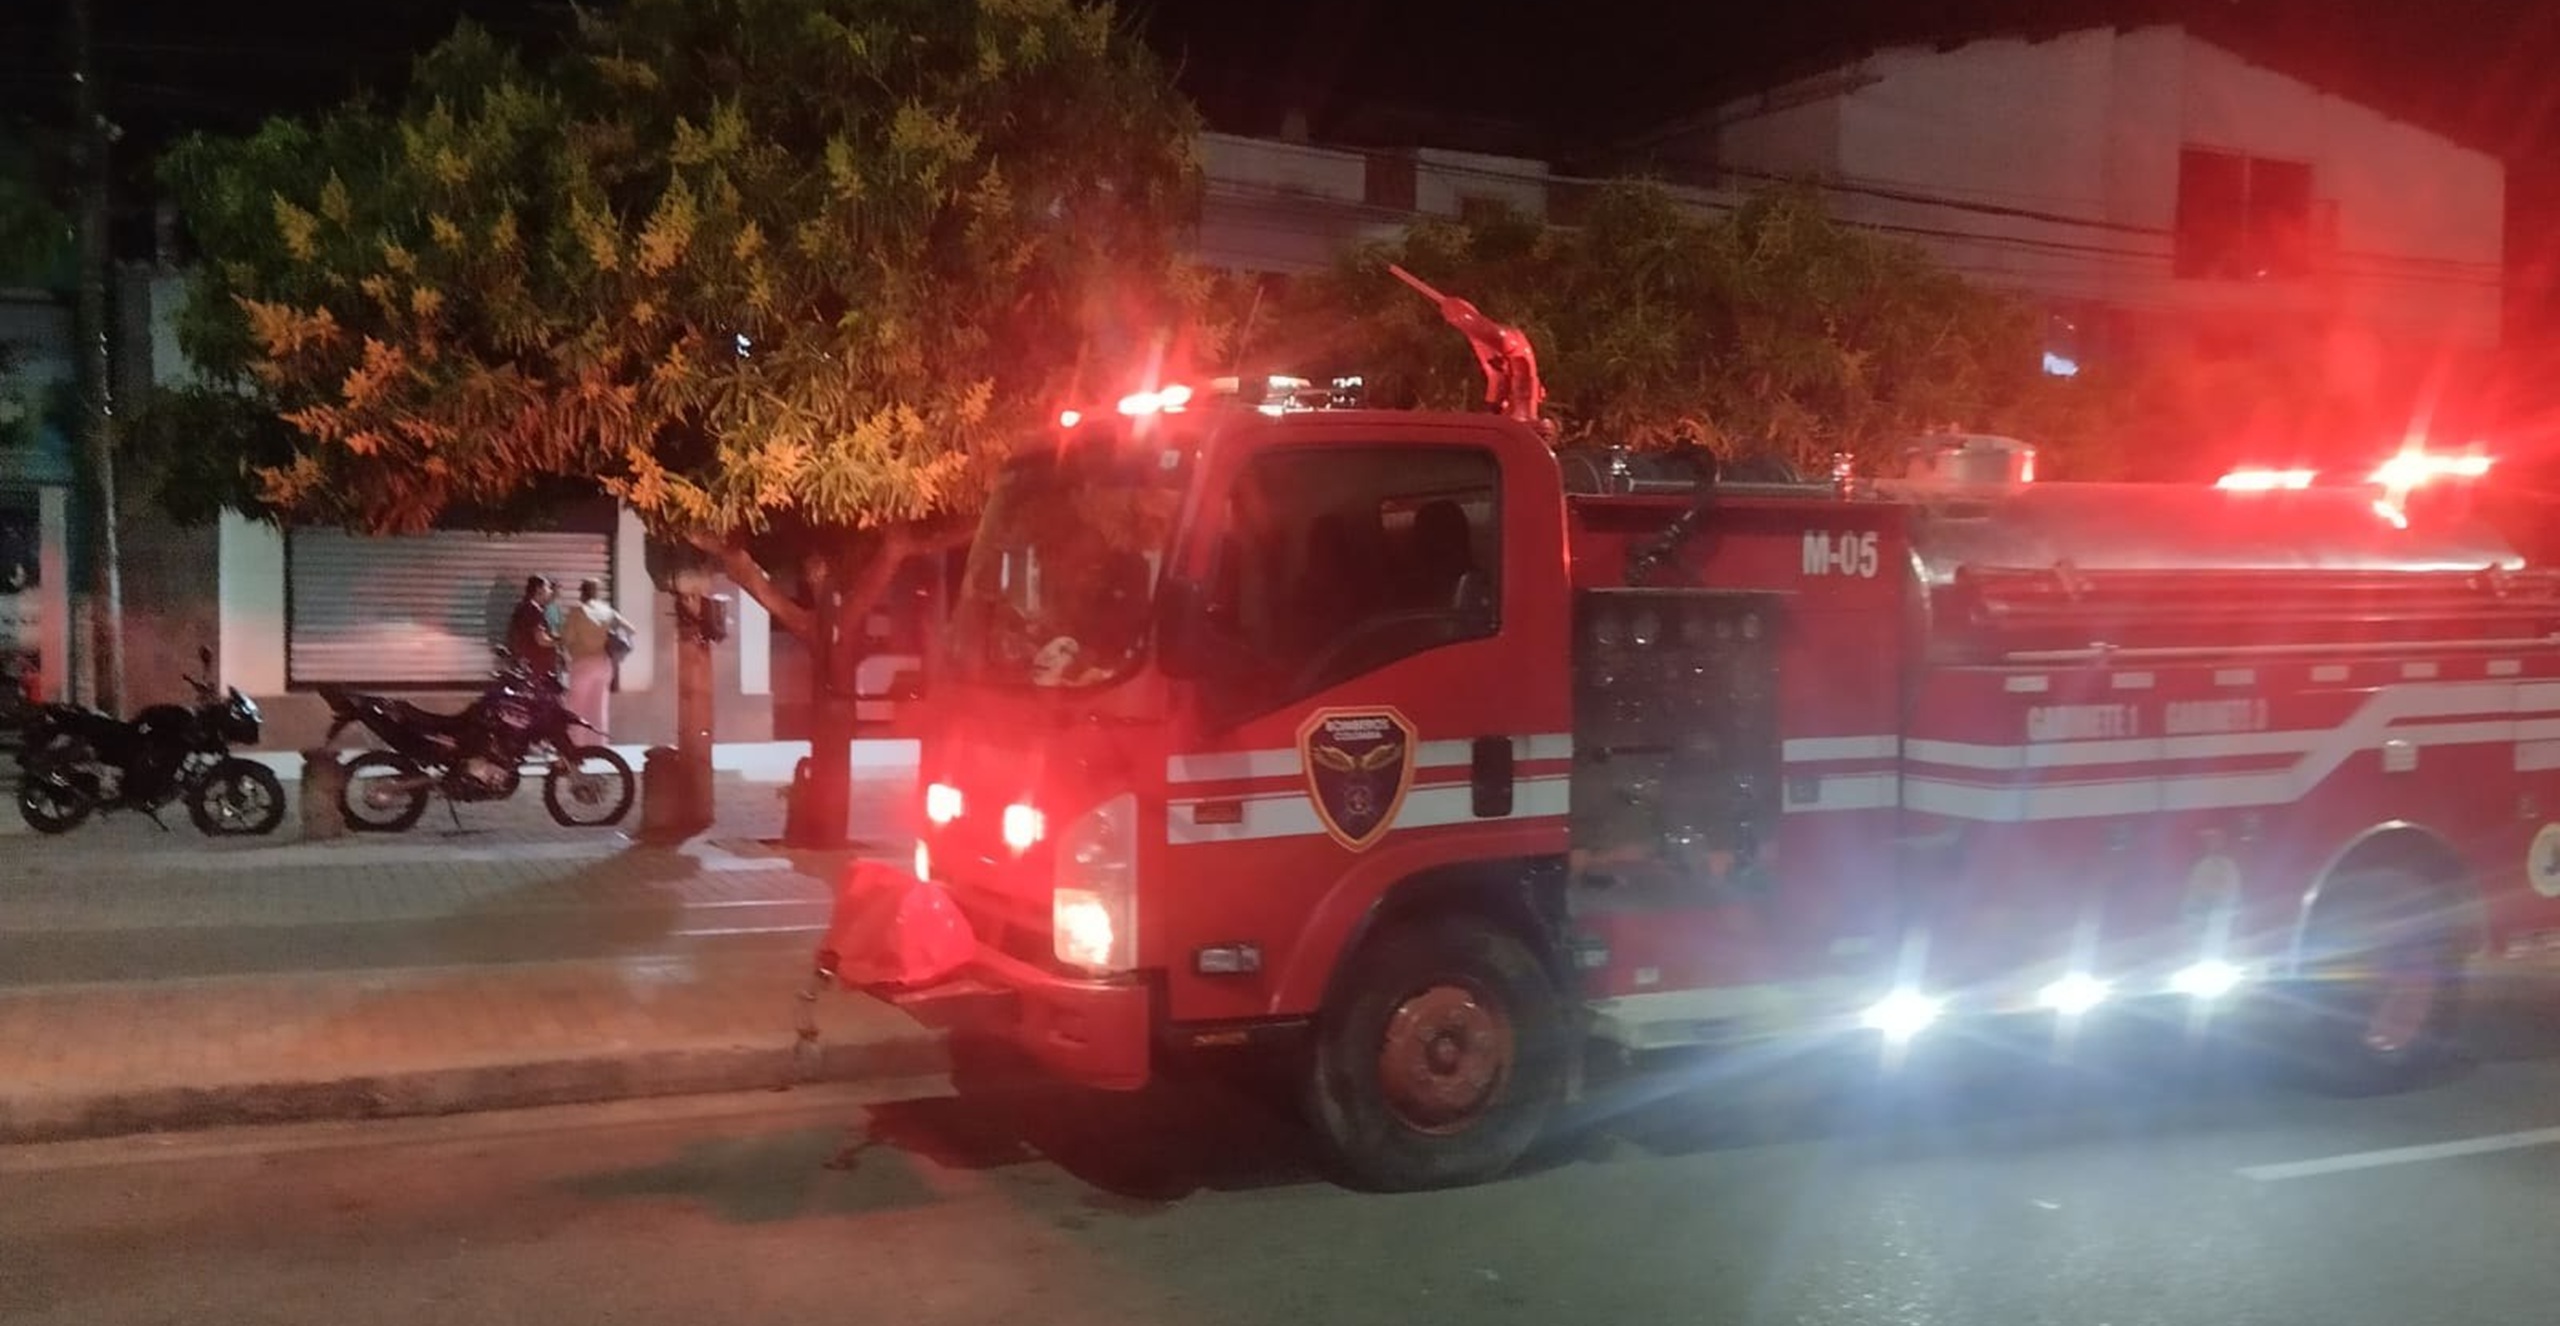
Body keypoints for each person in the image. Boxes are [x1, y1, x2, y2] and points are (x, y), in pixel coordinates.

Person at [556, 578, 633, 742]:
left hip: (583, 664)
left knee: (577, 707)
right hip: (604, 664)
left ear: (582, 593)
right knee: (598, 706)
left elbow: (566, 638)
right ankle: (598, 744)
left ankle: (576, 744)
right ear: (597, 593)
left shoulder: (578, 612)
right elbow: (631, 629)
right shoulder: (607, 611)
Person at [506, 576, 560, 678]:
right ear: (539, 589)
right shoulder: (532, 610)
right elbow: (541, 640)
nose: (550, 591)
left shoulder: (525, 607)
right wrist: (562, 642)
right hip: (536, 665)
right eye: (547, 588)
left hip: (528, 662)